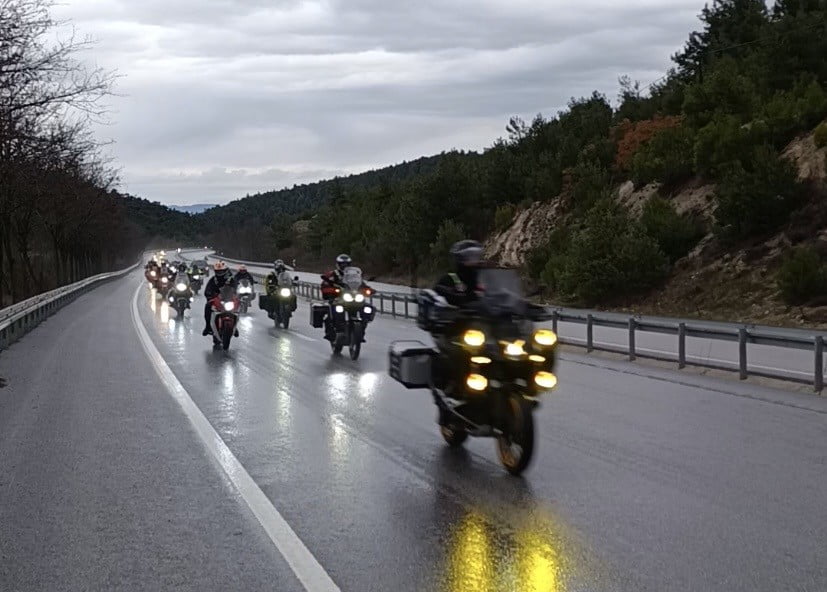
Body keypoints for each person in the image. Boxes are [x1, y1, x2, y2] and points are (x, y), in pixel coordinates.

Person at [430, 239, 485, 415]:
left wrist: (524, 304)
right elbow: (438, 289)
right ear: (459, 259)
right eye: (469, 257)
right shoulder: (451, 278)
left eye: (476, 256)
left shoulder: (484, 279)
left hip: (485, 330)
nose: (473, 260)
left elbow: (503, 293)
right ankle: (454, 391)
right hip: (456, 331)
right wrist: (449, 294)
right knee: (460, 354)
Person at [320, 254, 353, 340]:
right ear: (338, 264)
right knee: (332, 312)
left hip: (351, 298)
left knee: (366, 307)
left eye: (347, 264)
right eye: (342, 264)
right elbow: (324, 285)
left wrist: (367, 289)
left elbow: (360, 283)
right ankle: (330, 332)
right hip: (336, 298)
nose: (344, 266)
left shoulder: (353, 275)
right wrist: (331, 290)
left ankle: (361, 327)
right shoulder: (332, 274)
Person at [202, 261, 237, 336]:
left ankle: (235, 326)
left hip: (229, 299)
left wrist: (237, 295)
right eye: (218, 271)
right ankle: (208, 326)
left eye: (221, 271)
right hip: (217, 300)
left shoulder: (231, 279)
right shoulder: (213, 280)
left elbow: (236, 288)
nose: (219, 273)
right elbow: (207, 290)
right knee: (207, 307)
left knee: (236, 309)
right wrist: (209, 296)